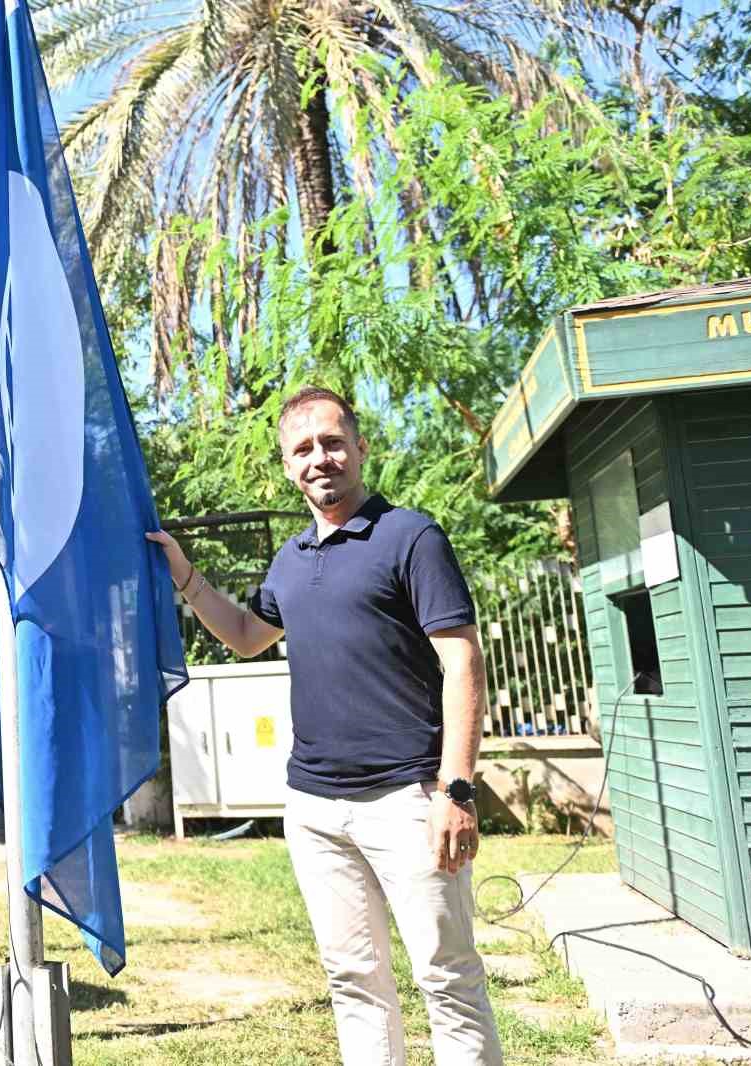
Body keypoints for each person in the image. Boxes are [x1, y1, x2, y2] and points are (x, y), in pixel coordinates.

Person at [146, 385, 503, 1066]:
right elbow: (250, 634)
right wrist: (185, 575)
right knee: (354, 983)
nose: (320, 458)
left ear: (361, 448)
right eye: (303, 448)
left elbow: (461, 661)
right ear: (286, 465)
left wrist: (456, 790)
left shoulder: (410, 536)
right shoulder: (290, 558)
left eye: (333, 442)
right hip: (313, 807)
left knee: (446, 979)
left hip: (407, 800)